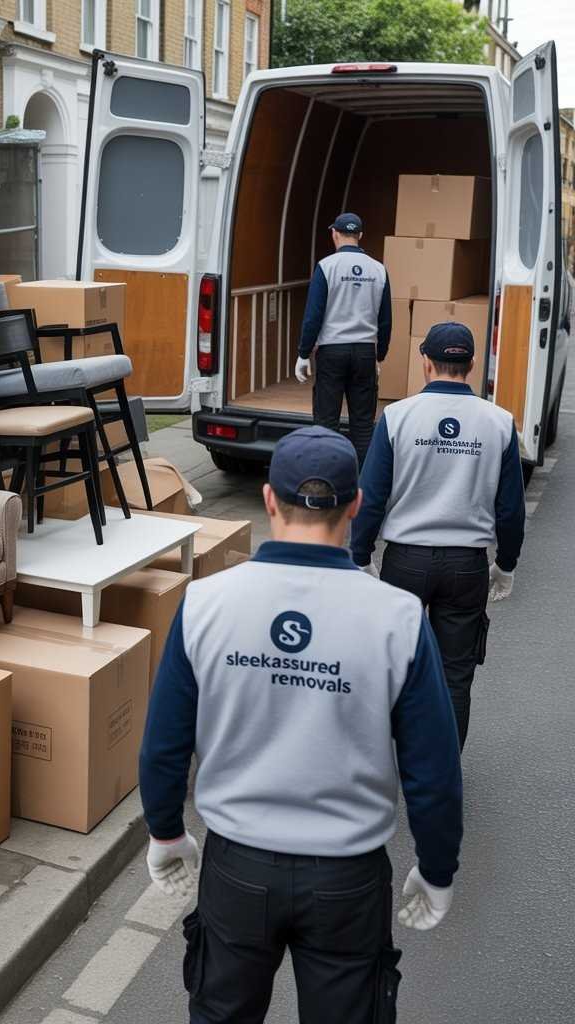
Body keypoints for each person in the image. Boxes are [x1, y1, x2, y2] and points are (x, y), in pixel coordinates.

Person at [140, 426, 462, 1024]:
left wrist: (165, 832)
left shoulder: (206, 603)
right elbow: (433, 767)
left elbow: (165, 741)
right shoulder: (398, 616)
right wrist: (437, 866)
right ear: (357, 504)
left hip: (237, 868)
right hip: (349, 878)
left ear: (268, 500)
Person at [351, 322, 525, 750]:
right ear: (471, 364)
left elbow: (371, 496)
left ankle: (384, 762)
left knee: (394, 666)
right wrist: (506, 564)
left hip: (405, 560)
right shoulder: (500, 423)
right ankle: (440, 770)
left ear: (425, 361)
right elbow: (510, 509)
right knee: (455, 676)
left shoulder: (397, 417)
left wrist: (360, 554)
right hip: (467, 564)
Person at [295, 213, 392, 465]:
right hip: (364, 353)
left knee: (326, 422)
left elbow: (313, 316)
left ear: (334, 234)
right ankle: (363, 487)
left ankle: (328, 478)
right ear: (360, 235)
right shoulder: (379, 269)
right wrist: (378, 355)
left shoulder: (327, 266)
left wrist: (303, 353)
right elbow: (385, 320)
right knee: (362, 424)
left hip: (332, 352)